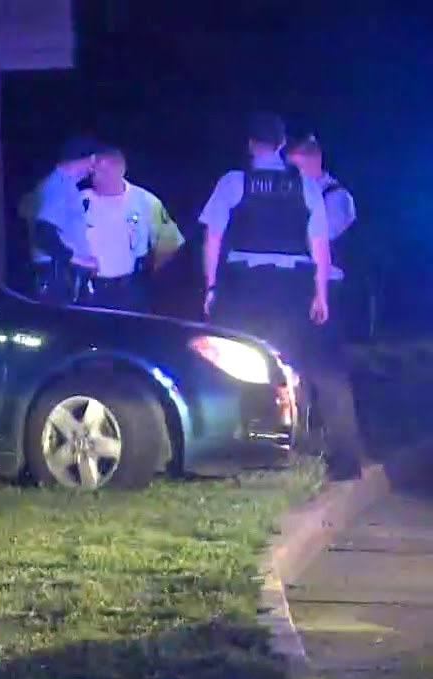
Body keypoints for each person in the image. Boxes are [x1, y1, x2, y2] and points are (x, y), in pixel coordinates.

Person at [198, 113, 364, 481]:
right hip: (294, 286)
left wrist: (211, 286)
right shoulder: (305, 185)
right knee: (322, 369)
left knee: (241, 367)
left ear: (250, 145)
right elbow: (319, 245)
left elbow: (213, 238)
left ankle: (243, 452)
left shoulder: (233, 182)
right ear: (281, 144)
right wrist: (320, 293)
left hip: (245, 286)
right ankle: (347, 459)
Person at [79, 146, 186, 312]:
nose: (95, 177)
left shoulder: (144, 201)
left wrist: (152, 274)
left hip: (130, 292)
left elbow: (171, 243)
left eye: (102, 172)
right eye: (93, 172)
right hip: (89, 290)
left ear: (120, 170)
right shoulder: (81, 201)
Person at [286, 134, 370, 340]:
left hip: (328, 285)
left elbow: (321, 239)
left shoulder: (336, 197)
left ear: (315, 160)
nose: (290, 174)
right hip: (297, 282)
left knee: (321, 350)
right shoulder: (295, 192)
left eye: (296, 167)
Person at [20, 136, 103, 304]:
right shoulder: (57, 186)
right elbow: (43, 234)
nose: (92, 168)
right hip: (57, 277)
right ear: (85, 159)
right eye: (92, 161)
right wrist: (80, 260)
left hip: (63, 275)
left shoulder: (65, 185)